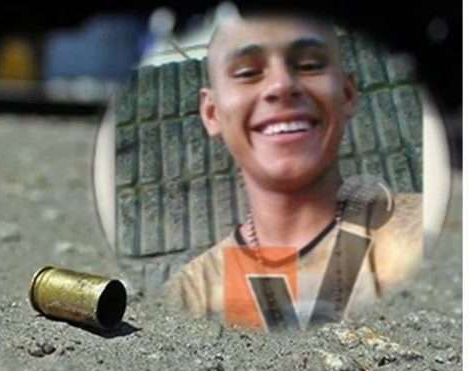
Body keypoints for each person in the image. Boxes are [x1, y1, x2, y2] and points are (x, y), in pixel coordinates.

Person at [163, 11, 422, 332]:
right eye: (247, 72)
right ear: (212, 112)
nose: (282, 85)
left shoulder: (431, 230)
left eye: (310, 65)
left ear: (347, 93)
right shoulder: (190, 293)